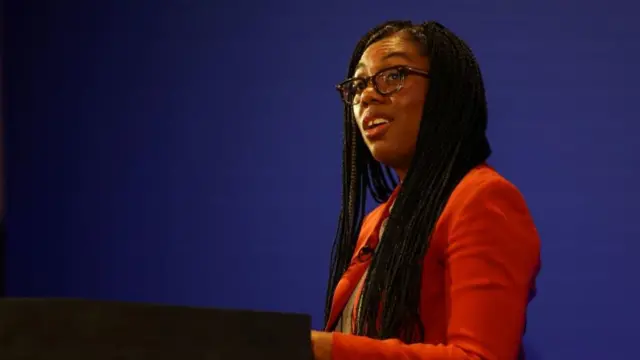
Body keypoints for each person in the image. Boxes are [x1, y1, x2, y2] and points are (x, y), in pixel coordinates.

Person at [310, 20, 541, 360]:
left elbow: (479, 357)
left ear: (444, 94)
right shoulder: (375, 223)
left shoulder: (482, 199)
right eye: (358, 85)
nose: (367, 96)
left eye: (393, 75)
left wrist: (325, 349)